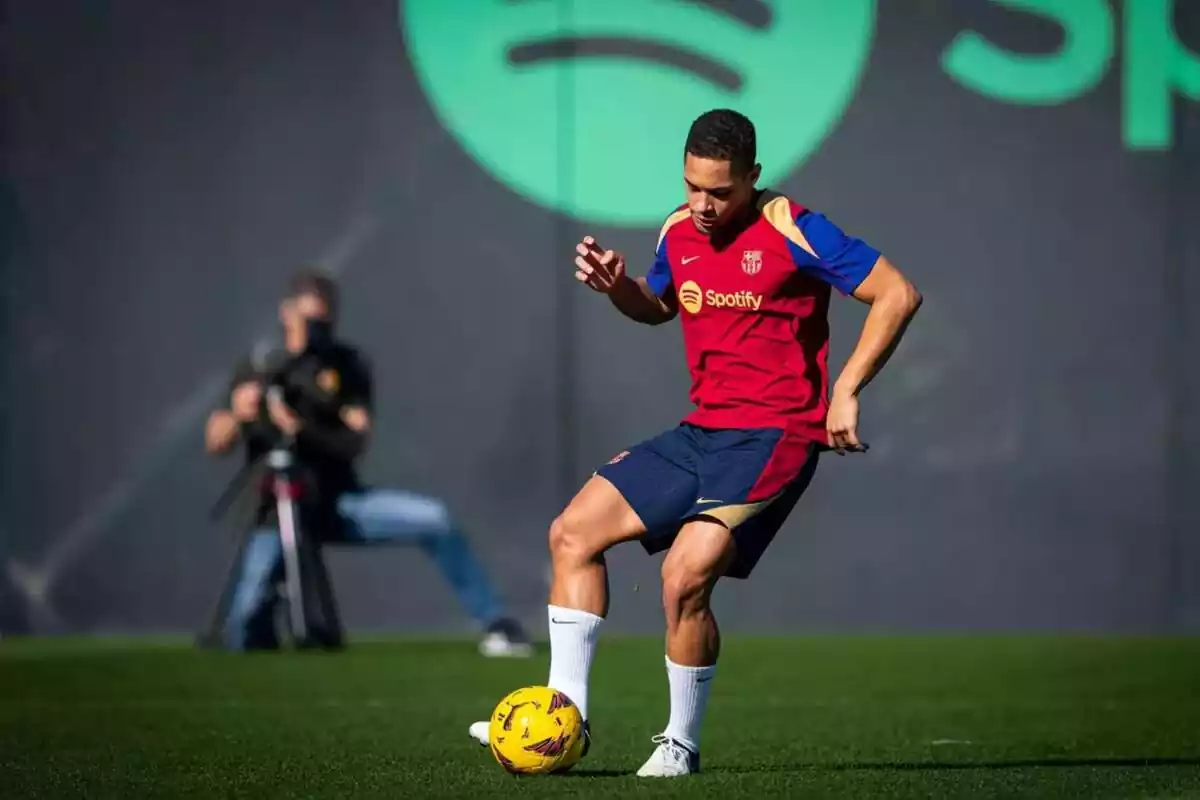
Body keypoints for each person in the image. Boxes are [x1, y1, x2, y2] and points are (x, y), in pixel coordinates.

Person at [469, 109, 922, 775]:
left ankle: (679, 742)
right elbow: (658, 306)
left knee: (683, 576)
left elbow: (896, 293)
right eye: (693, 187)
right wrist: (619, 287)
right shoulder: (678, 231)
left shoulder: (792, 226)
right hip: (704, 430)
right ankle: (561, 722)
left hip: (775, 435)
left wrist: (847, 388)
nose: (704, 205)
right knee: (572, 534)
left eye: (721, 192)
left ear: (753, 179)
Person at [204, 271, 532, 657]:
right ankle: (271, 604)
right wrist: (240, 413)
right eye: (308, 320)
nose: (316, 329)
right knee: (243, 629)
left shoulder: (345, 366)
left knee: (435, 519)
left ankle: (495, 622)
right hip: (276, 512)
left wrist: (299, 426)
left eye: (324, 320)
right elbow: (216, 440)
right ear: (286, 313)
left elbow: (354, 443)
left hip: (336, 501)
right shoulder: (263, 364)